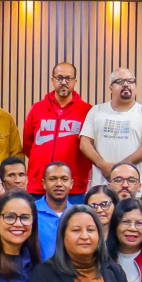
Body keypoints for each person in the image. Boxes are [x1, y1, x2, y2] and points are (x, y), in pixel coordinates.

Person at [80, 67, 142, 188]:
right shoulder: (96, 111)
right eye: (120, 81)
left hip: (133, 189)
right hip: (102, 188)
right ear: (111, 88)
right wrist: (102, 165)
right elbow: (84, 143)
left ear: (135, 87)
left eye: (130, 81)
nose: (126, 84)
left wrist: (120, 169)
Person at [21, 62, 91, 201]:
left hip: (74, 188)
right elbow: (28, 145)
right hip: (38, 186)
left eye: (68, 78)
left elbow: (90, 148)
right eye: (59, 78)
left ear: (75, 81)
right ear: (53, 80)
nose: (64, 82)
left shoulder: (87, 111)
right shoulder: (37, 109)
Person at [33, 161, 72, 259]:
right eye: (52, 179)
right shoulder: (31, 211)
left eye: (64, 179)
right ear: (44, 183)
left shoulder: (77, 214)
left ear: (71, 184)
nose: (59, 184)